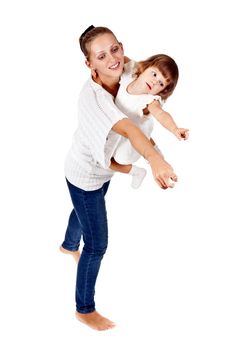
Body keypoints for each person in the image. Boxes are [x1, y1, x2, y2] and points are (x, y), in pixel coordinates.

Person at [60, 25, 178, 331]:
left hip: (102, 172)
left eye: (115, 48)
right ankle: (84, 309)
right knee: (97, 244)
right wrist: (156, 159)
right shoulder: (94, 98)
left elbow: (151, 85)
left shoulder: (129, 69)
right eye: (101, 55)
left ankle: (68, 245)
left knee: (84, 209)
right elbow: (129, 129)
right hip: (86, 172)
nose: (112, 58)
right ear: (90, 64)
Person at [109, 54, 189, 189]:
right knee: (102, 157)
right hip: (123, 128)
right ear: (146, 67)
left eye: (161, 83)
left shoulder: (149, 100)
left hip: (134, 133)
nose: (155, 82)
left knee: (117, 159)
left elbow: (161, 114)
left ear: (162, 90)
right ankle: (146, 163)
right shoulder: (130, 72)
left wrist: (175, 129)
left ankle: (143, 165)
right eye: (155, 74)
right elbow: (119, 57)